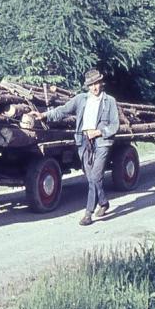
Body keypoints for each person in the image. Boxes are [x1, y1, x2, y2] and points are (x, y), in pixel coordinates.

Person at [38, 69, 119, 226]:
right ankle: (103, 202)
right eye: (91, 85)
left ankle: (88, 213)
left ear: (102, 83)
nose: (94, 87)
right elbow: (63, 110)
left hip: (102, 142)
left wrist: (99, 132)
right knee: (91, 178)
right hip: (83, 142)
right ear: (87, 86)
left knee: (95, 176)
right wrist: (44, 115)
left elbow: (115, 125)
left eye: (97, 83)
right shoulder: (81, 99)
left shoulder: (110, 101)